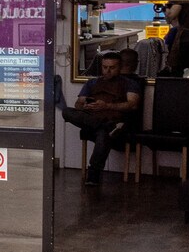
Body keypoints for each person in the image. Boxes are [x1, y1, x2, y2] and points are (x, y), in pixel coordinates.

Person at [58, 50, 143, 185]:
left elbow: (132, 105)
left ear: (120, 68)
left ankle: (93, 175)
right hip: (95, 119)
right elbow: (78, 103)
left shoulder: (129, 83)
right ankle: (107, 126)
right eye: (105, 67)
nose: (107, 71)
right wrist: (84, 106)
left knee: (103, 134)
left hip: (114, 119)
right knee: (67, 111)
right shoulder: (92, 83)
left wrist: (106, 106)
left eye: (112, 68)